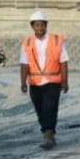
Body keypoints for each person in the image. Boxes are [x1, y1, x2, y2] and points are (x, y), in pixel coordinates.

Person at [19, 9, 69, 150]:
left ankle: (49, 135)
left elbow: (63, 61)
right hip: (35, 83)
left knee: (50, 107)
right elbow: (24, 63)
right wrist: (23, 82)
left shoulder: (56, 40)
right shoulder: (27, 42)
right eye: (37, 25)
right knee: (40, 109)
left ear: (46, 25)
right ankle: (46, 130)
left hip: (53, 82)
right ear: (32, 26)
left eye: (42, 25)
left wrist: (65, 81)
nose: (40, 28)